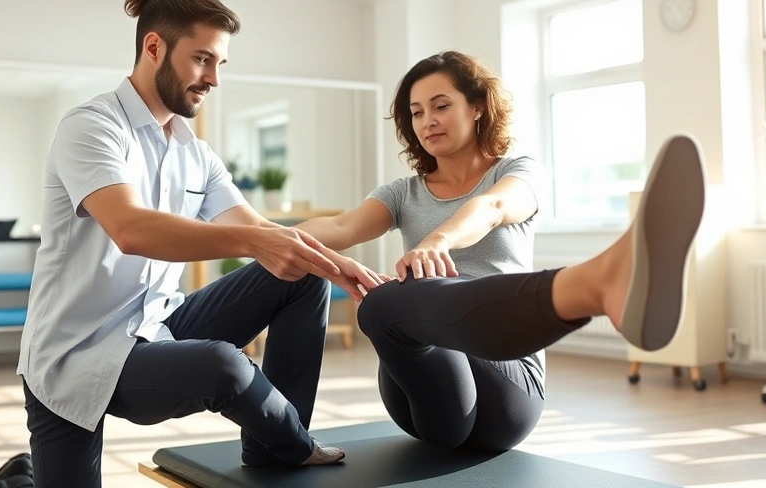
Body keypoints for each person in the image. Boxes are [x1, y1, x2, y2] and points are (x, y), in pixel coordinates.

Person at [17, 0, 385, 488]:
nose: (213, 78)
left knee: (299, 275)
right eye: (202, 59)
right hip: (76, 355)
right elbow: (131, 228)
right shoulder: (91, 128)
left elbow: (259, 229)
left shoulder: (195, 153)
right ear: (154, 47)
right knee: (223, 366)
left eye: (221, 63)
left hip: (160, 327)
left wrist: (332, 263)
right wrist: (259, 240)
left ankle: (275, 452)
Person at [297, 51, 705, 453]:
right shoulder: (402, 193)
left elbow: (491, 209)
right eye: (417, 113)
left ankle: (602, 280)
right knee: (385, 304)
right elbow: (339, 227)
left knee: (389, 300)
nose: (427, 121)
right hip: (423, 399)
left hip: (505, 390)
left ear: (477, 107)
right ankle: (599, 281)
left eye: (441, 106)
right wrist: (263, 236)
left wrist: (438, 239)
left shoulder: (517, 172)